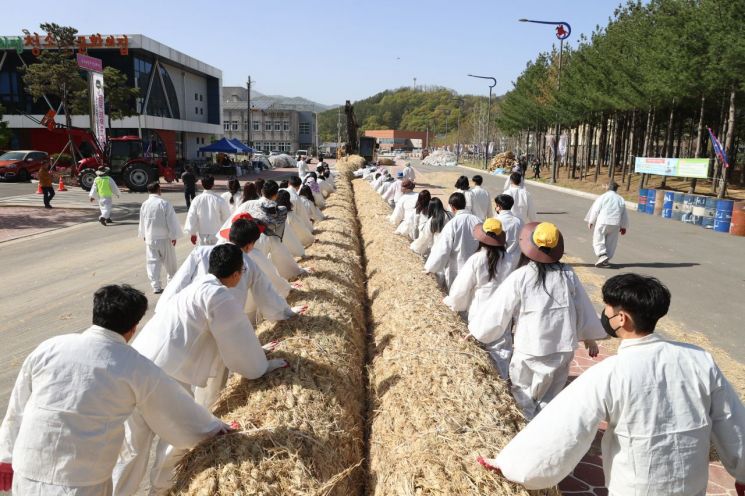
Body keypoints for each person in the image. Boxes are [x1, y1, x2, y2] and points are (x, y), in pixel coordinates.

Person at [480, 274, 745, 496]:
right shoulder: (699, 359)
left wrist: (512, 466)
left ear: (622, 319)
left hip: (636, 487)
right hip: (690, 487)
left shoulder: (611, 372)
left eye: (607, 308)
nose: (604, 314)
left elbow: (564, 428)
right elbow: (731, 421)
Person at [0, 285, 231, 496]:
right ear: (133, 327)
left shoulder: (49, 348)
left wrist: (6, 455)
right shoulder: (134, 366)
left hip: (28, 471)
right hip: (80, 483)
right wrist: (215, 428)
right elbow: (177, 411)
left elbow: (17, 407)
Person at [113, 244, 288, 496]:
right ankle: (160, 490)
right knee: (177, 436)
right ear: (237, 274)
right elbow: (237, 341)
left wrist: (258, 350)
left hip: (138, 364)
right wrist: (261, 364)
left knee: (133, 447)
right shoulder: (218, 296)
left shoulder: (195, 288)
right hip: (166, 374)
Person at [468, 222, 604, 420]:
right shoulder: (567, 274)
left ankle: (526, 433)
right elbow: (581, 306)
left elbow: (499, 309)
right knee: (550, 397)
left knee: (522, 394)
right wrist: (589, 337)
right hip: (562, 347)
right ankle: (544, 430)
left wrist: (477, 331)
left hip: (531, 347)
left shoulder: (521, 275)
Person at [444, 219, 513, 378]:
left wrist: (452, 302)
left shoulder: (477, 259)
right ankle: (501, 381)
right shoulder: (510, 259)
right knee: (501, 351)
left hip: (479, 310)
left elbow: (462, 288)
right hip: (503, 311)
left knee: (479, 350)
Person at [235, 180, 310, 280]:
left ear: (261, 191)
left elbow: (230, 223)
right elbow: (286, 240)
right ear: (276, 195)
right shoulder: (278, 212)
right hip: (260, 244)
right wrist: (299, 259)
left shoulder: (247, 204)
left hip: (238, 243)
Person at [424, 192, 481, 289]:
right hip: (475, 267)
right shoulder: (478, 221)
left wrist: (430, 267)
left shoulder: (453, 223)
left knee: (454, 293)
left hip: (456, 267)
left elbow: (443, 249)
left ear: (452, 206)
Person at [138, 182, 181, 294]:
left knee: (152, 262)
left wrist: (143, 234)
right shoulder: (164, 203)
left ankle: (156, 286)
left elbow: (142, 221)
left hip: (150, 237)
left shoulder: (145, 204)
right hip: (165, 238)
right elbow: (171, 221)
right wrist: (174, 235)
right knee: (170, 262)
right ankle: (171, 284)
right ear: (158, 189)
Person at [585, 181, 629, 267]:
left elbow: (595, 210)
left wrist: (591, 221)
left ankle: (602, 255)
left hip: (603, 222)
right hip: (615, 223)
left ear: (608, 188)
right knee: (611, 242)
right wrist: (623, 226)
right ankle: (606, 259)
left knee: (598, 238)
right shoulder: (620, 199)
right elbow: (624, 213)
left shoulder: (603, 197)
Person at [184, 174, 230, 245]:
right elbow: (226, 217)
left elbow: (192, 216)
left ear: (202, 184)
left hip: (202, 234)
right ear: (213, 184)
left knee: (204, 254)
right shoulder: (219, 199)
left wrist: (193, 233)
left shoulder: (197, 200)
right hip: (217, 234)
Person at [494, 194, 523, 271]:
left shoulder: (496, 222)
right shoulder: (519, 221)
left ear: (499, 207)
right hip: (517, 260)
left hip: (501, 260)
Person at [275, 190, 306, 258]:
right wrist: (301, 252)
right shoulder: (291, 216)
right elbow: (302, 232)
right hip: (289, 250)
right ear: (288, 201)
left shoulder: (273, 216)